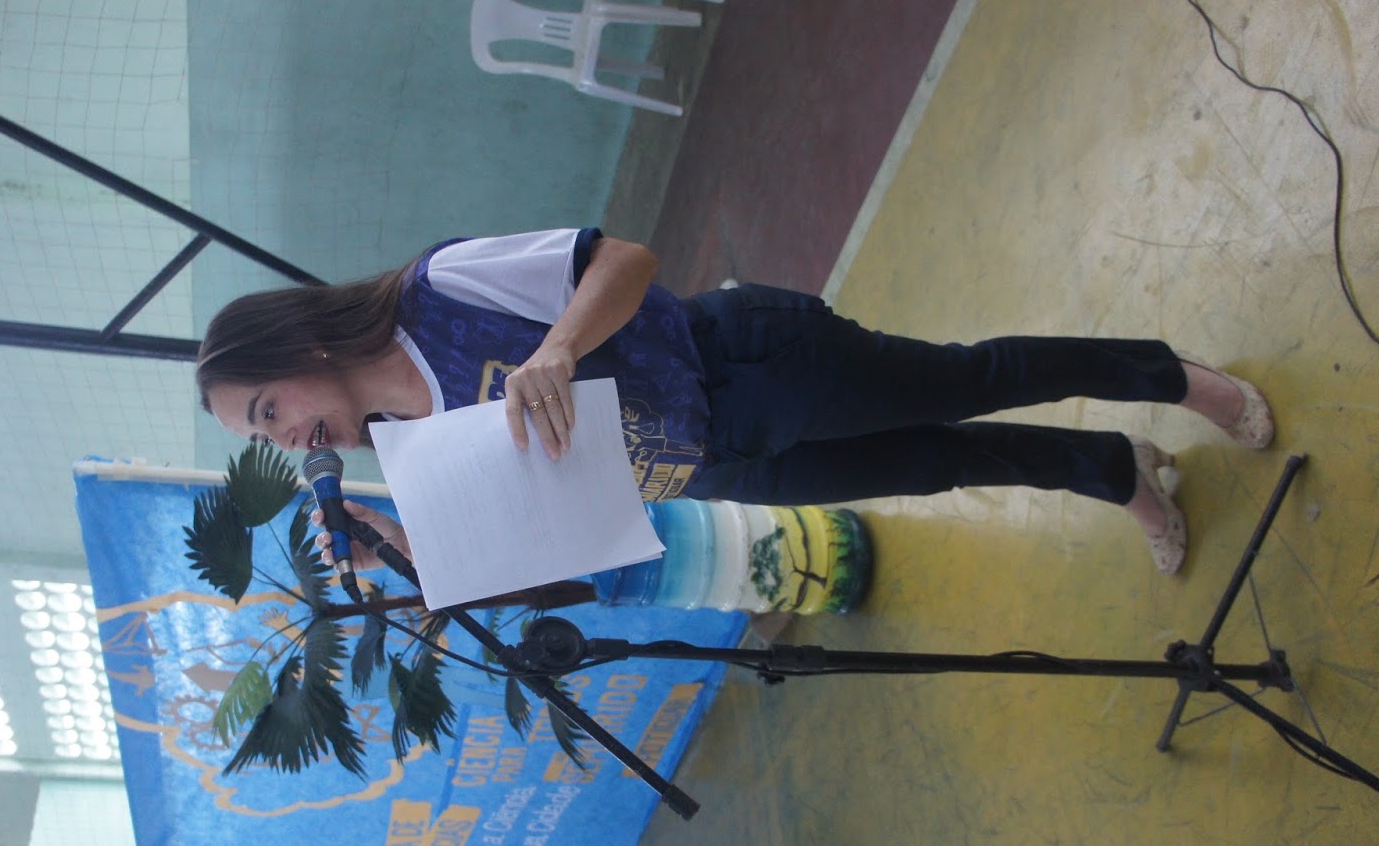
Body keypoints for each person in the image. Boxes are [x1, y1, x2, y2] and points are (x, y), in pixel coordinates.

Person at [197, 228, 1273, 576]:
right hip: (718, 465)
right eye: (266, 437)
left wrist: (559, 350)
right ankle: (1113, 472)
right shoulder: (407, 451)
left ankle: (1172, 377)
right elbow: (543, 525)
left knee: (969, 380)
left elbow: (625, 259)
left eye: (268, 411)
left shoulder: (437, 290)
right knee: (941, 459)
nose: (287, 439)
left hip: (740, 362)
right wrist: (404, 545)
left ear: (297, 347)